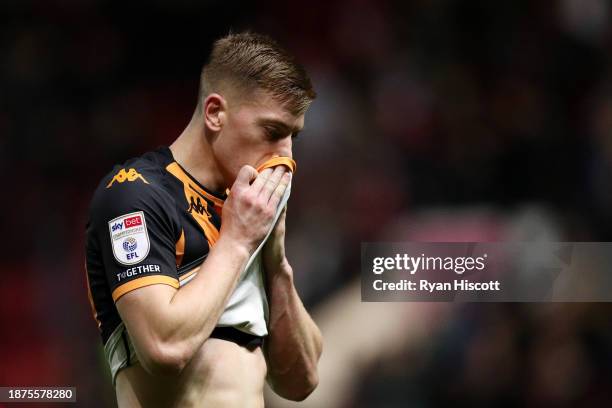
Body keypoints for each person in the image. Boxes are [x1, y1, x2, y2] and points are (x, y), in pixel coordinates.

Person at [84, 32, 323, 407]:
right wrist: (239, 241)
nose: (287, 156)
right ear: (215, 113)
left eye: (293, 136)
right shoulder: (136, 195)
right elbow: (165, 347)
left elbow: (302, 380)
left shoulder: (245, 212)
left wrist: (274, 257)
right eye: (273, 132)